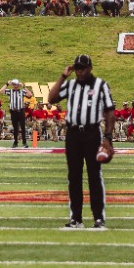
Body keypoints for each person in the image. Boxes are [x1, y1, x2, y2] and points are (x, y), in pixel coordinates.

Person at [46, 53, 115, 230]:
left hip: (92, 132)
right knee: (74, 176)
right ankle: (76, 218)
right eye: (77, 68)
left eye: (82, 68)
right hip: (73, 133)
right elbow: (51, 99)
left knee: (94, 176)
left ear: (90, 68)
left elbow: (110, 111)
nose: (79, 72)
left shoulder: (100, 85)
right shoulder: (70, 85)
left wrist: (108, 138)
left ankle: (98, 218)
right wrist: (63, 76)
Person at [5, 78, 30, 149]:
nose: (15, 86)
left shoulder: (22, 91)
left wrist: (24, 86)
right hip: (13, 112)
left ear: (18, 85)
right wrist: (7, 84)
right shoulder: (10, 91)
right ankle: (15, 142)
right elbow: (1, 91)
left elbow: (30, 94)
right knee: (15, 128)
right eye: (14, 84)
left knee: (22, 127)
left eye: (16, 84)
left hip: (20, 111)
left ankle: (24, 142)